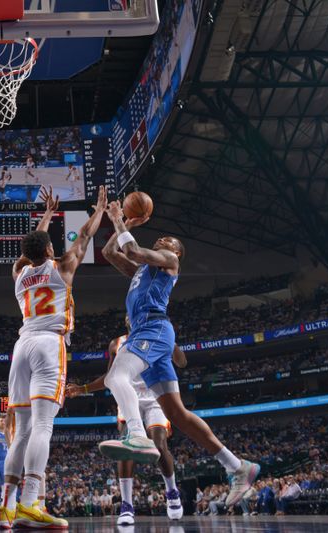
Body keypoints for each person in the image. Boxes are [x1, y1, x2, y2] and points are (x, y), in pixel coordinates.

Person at [97, 200, 260, 509]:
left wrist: (118, 219)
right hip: (152, 334)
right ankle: (238, 466)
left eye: (167, 241)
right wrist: (126, 225)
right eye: (161, 239)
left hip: (153, 331)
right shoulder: (142, 271)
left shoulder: (169, 260)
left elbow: (132, 250)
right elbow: (109, 253)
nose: (162, 240)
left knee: (116, 376)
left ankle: (136, 434)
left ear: (176, 252)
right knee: (178, 416)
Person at [0, 185, 108, 530]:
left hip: (21, 346)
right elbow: (86, 234)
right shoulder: (64, 266)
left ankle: (6, 509)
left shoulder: (18, 275)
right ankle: (30, 503)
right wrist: (100, 209)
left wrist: (44, 216)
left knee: (23, 431)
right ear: (47, 248)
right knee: (43, 426)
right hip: (48, 343)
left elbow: (30, 251)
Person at [65, 321, 186, 525]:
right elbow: (110, 377)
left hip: (156, 395)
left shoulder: (159, 334)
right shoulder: (117, 343)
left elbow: (182, 362)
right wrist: (83, 389)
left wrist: (172, 342)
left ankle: (172, 491)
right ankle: (127, 505)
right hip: (129, 397)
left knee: (159, 445)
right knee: (126, 444)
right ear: (127, 319)